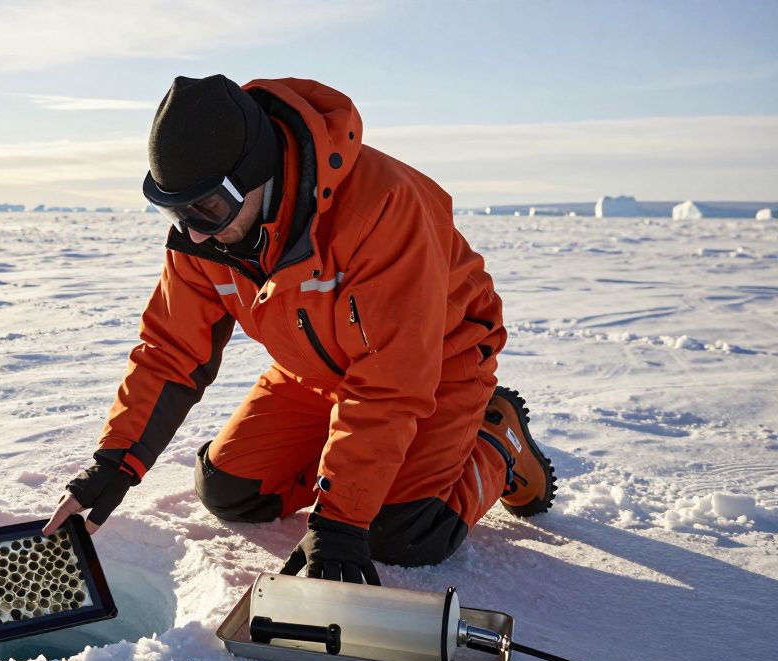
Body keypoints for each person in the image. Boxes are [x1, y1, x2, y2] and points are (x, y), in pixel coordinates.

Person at [43, 75, 556, 583]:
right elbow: (171, 350)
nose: (194, 229)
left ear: (256, 176)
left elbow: (390, 381)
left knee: (400, 533)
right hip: (315, 369)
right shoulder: (202, 238)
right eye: (174, 210)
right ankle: (355, 465)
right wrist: (113, 464)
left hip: (437, 364)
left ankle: (495, 439)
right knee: (230, 489)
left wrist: (339, 520)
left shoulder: (382, 209)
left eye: (208, 207)